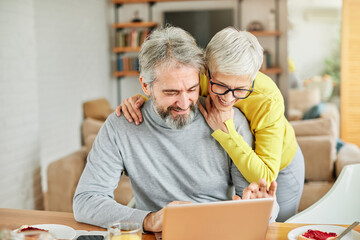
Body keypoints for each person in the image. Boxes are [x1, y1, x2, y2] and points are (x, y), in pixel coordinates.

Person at [73, 26, 278, 231]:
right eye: (171, 92)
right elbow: (86, 200)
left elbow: (262, 208)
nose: (184, 103)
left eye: (192, 89)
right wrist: (149, 220)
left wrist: (262, 208)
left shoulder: (230, 124)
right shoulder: (121, 126)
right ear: (145, 86)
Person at [115, 27, 305, 222]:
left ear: (252, 78)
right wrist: (144, 100)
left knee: (278, 224)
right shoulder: (200, 78)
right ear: (206, 71)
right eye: (221, 86)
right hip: (242, 158)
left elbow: (265, 176)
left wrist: (225, 132)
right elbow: (172, 90)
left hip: (279, 165)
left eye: (240, 89)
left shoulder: (269, 100)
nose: (228, 98)